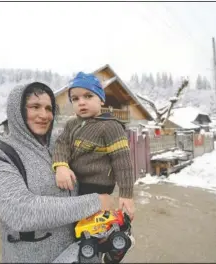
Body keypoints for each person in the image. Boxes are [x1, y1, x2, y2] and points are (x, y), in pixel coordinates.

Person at [0, 81, 113, 263]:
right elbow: (21, 212)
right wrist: (95, 202)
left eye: (49, 108)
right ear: (17, 111)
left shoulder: (61, 145)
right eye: (35, 107)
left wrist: (97, 224)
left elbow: (90, 179)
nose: (44, 115)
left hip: (82, 254)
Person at [52, 72, 136, 262]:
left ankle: (115, 250)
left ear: (101, 99)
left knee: (98, 231)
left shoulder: (111, 126)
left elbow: (122, 162)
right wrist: (61, 166)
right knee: (81, 233)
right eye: (75, 98)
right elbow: (61, 145)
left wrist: (127, 194)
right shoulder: (71, 124)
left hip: (98, 188)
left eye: (88, 96)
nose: (81, 102)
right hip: (75, 188)